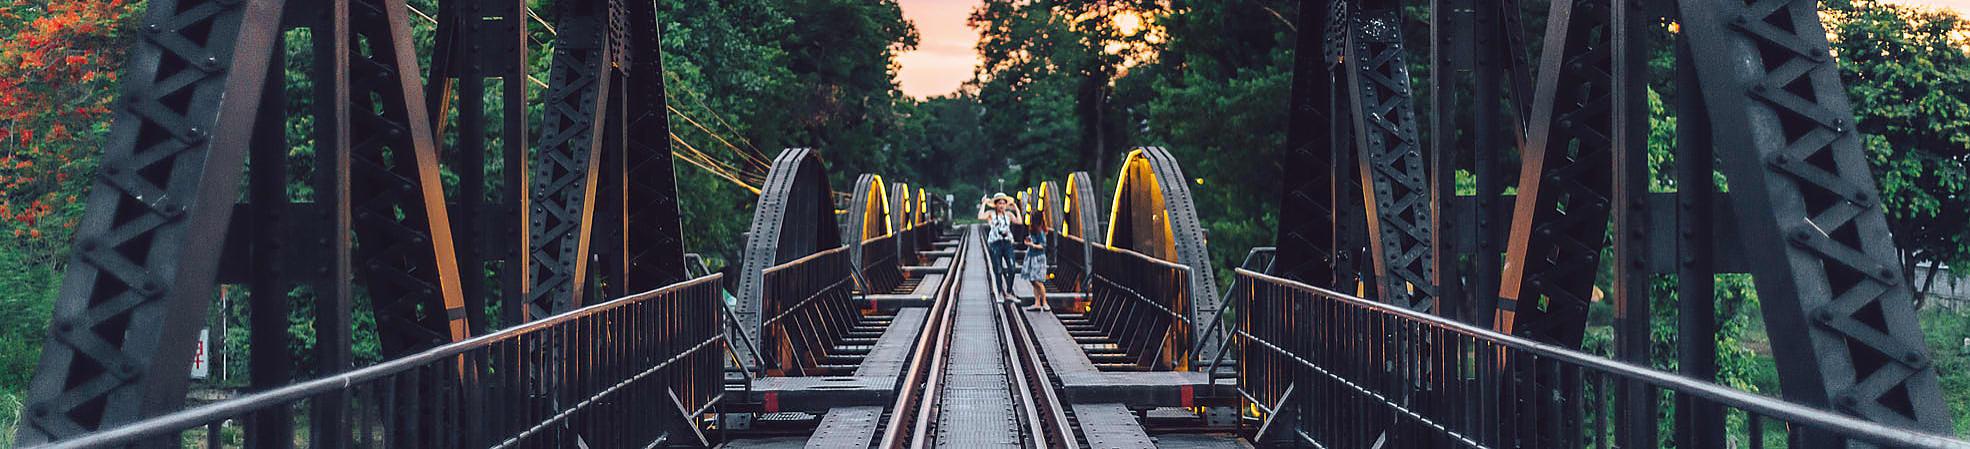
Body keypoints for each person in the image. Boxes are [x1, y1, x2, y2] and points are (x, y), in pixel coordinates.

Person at [977, 193, 1018, 296]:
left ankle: (1008, 292)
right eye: (999, 203)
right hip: (995, 244)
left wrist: (1016, 208)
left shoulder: (1008, 214)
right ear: (995, 204)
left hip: (1007, 243)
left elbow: (1019, 222)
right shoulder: (991, 214)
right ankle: (999, 292)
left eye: (1004, 203)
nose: (1002, 205)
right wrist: (983, 204)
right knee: (998, 270)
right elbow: (980, 217)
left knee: (1012, 268)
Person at [1022, 219, 1053, 311]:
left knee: (1038, 281)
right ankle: (1037, 303)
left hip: (1038, 258)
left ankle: (1045, 302)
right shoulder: (1033, 231)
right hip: (1031, 256)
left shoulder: (1041, 232)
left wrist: (1032, 245)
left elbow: (1043, 246)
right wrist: (1028, 243)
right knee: (1033, 280)